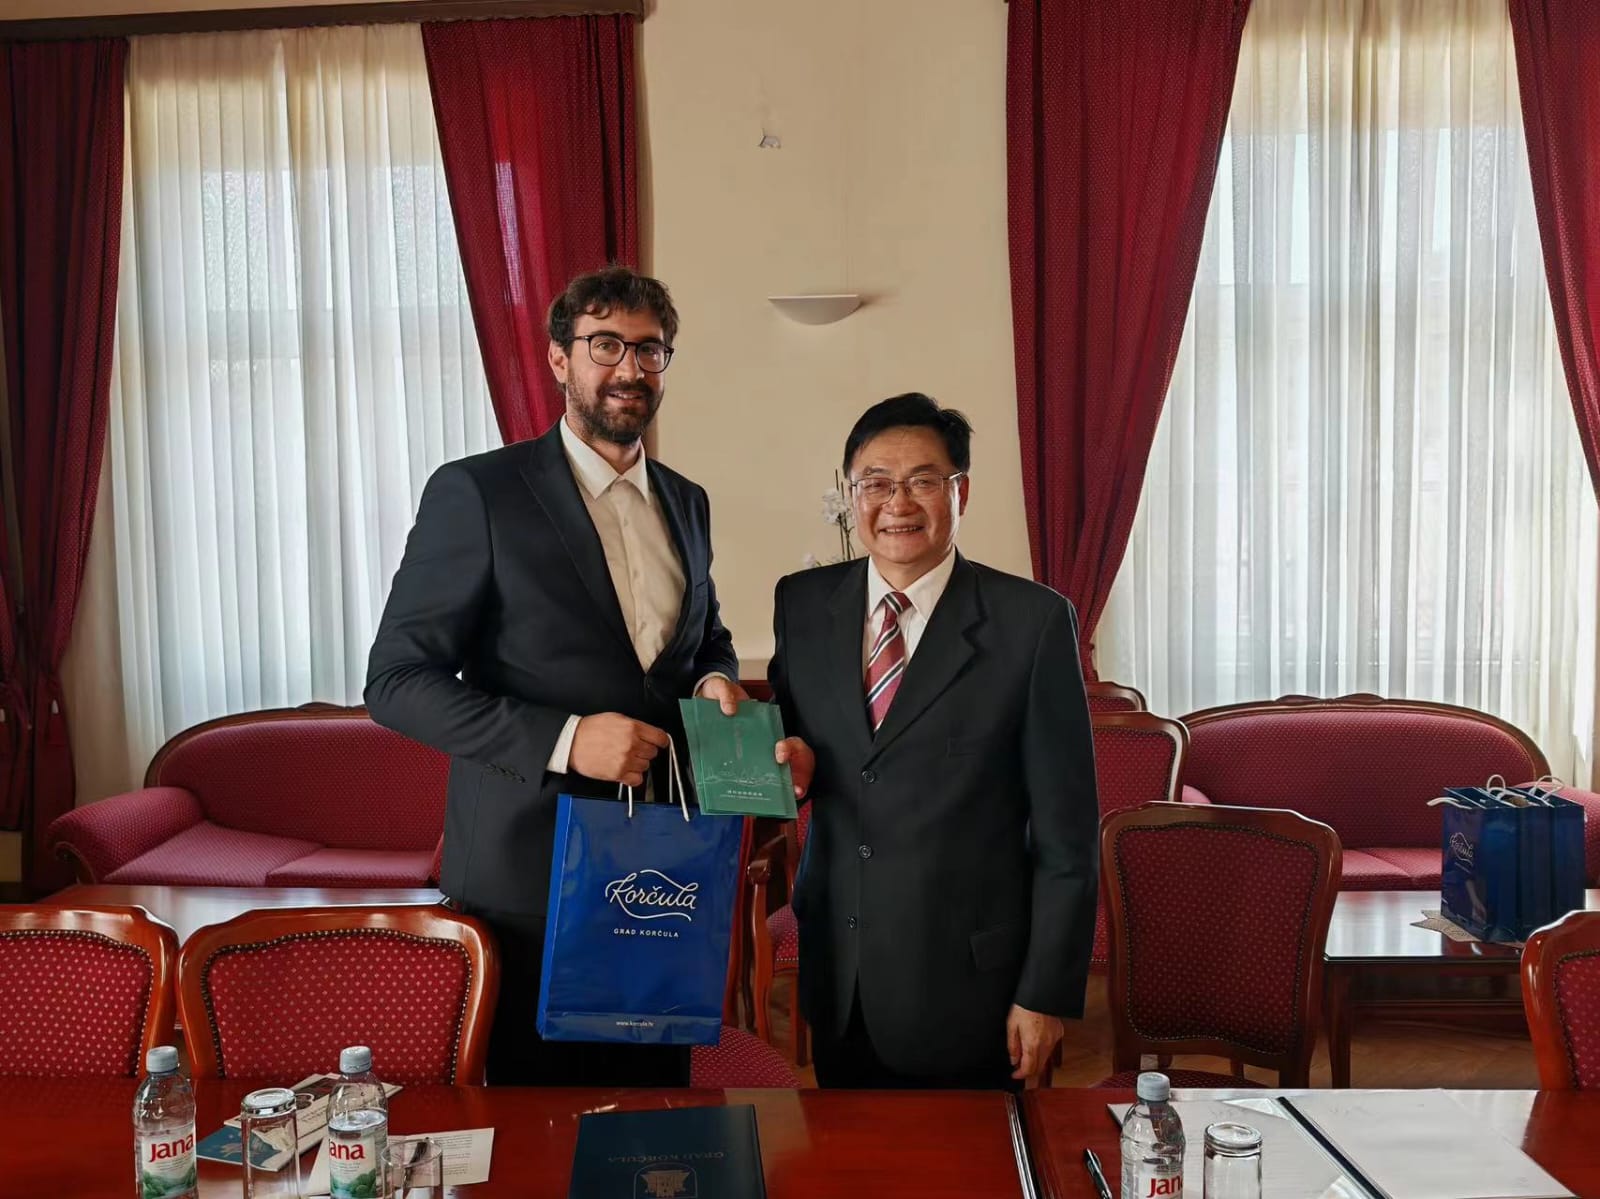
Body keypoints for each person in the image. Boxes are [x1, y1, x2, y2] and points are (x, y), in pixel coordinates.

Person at [366, 265, 749, 1087]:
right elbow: (395, 680)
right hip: (526, 881)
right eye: (605, 344)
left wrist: (714, 678)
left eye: (650, 349)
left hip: (662, 870)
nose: (630, 368)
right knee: (536, 1130)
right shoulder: (478, 492)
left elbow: (703, 637)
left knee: (657, 1122)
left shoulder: (688, 501)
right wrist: (567, 739)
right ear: (558, 359)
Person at [766, 392, 1098, 1090]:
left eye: (922, 480)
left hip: (969, 987)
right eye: (876, 482)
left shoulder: (1031, 624)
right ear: (851, 494)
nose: (898, 502)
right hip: (841, 973)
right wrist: (789, 765)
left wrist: (1043, 992)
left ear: (960, 492)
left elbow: (1067, 838)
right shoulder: (802, 604)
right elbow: (795, 749)